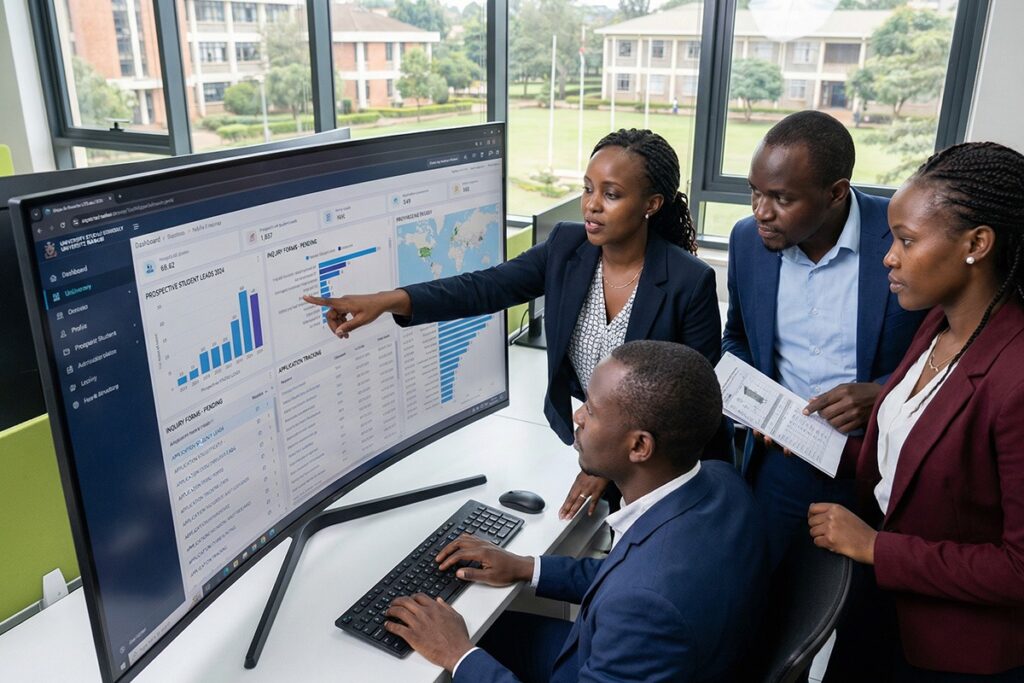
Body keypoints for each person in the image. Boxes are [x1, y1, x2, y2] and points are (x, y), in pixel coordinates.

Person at [305, 129, 727, 518]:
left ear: (651, 205)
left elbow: (691, 409)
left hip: (661, 471)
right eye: (587, 188)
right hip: (595, 443)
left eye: (611, 194)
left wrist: (612, 465)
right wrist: (387, 301)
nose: (592, 205)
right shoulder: (567, 246)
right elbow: (486, 287)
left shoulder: (689, 282)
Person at [380, 341, 768, 682]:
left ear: (639, 447)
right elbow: (631, 572)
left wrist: (458, 655)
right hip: (625, 653)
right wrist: (529, 567)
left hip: (603, 662)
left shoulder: (644, 607)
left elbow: (641, 592)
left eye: (593, 411)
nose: (578, 417)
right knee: (486, 630)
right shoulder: (722, 482)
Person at [809, 141, 1024, 681]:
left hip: (953, 652)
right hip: (880, 608)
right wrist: (814, 442)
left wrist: (878, 547)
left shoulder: (1016, 375)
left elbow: (1018, 568)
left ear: (976, 244)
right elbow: (921, 455)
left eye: (906, 241)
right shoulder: (937, 324)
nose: (889, 256)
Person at [723, 110, 926, 568]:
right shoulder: (747, 241)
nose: (760, 211)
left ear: (836, 192)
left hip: (875, 462)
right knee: (766, 593)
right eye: (754, 191)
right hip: (778, 464)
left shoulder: (902, 239)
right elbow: (736, 337)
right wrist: (757, 403)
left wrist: (881, 394)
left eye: (780, 198)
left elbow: (947, 352)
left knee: (863, 614)